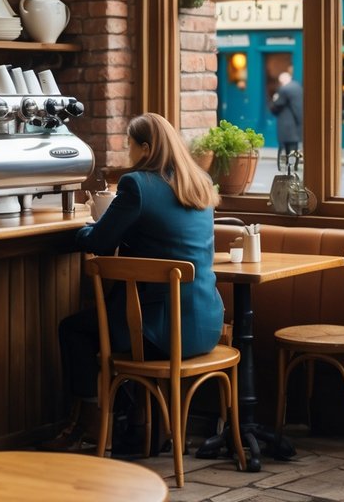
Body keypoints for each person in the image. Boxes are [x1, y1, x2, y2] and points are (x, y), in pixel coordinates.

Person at [51, 112, 224, 453]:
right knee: (114, 327)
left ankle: (90, 423)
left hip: (160, 331)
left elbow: (99, 242)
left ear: (145, 148)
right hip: (206, 324)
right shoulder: (199, 182)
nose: (128, 153)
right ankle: (135, 421)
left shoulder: (138, 185)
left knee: (75, 330)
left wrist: (78, 229)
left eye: (130, 145)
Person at [269, 70, 303, 165]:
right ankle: (294, 165)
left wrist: (274, 99)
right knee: (294, 147)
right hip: (297, 123)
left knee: (286, 148)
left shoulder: (284, 89)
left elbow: (276, 105)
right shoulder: (298, 87)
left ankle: (289, 166)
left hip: (286, 125)